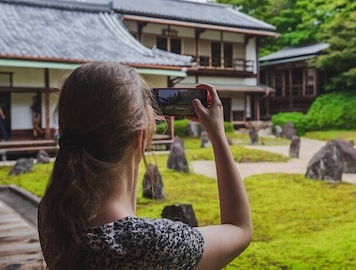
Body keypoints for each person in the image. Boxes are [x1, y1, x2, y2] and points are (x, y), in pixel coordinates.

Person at [37, 61, 252, 269]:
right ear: (139, 138)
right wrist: (218, 135)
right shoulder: (150, 243)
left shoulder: (53, 213)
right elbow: (239, 229)